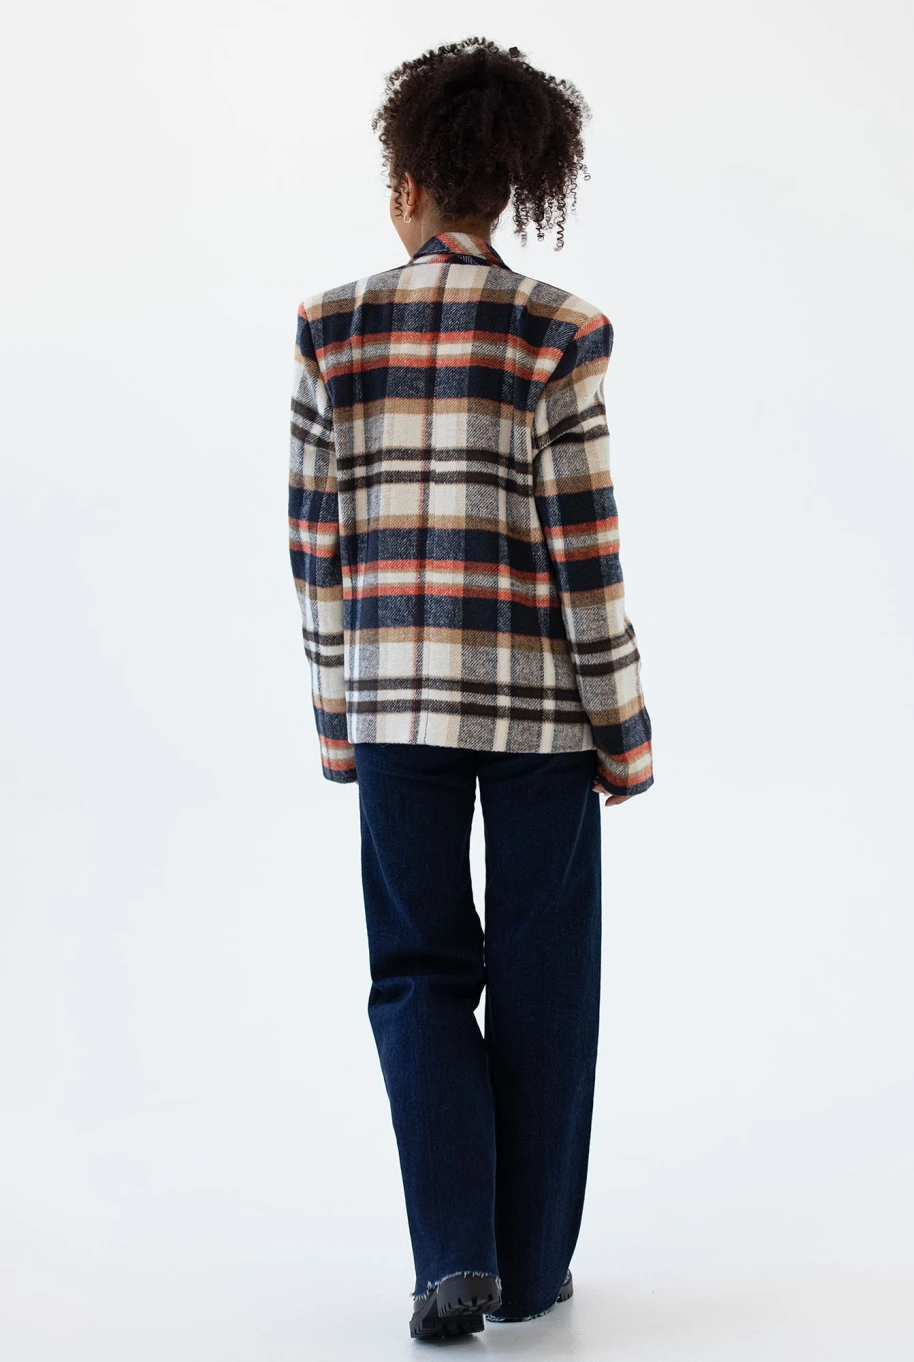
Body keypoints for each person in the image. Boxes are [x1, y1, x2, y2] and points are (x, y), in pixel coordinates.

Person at [288, 35, 654, 1340]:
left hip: (394, 707)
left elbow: (315, 546)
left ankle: (453, 1258)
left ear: (407, 182)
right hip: (542, 712)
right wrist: (623, 731)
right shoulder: (562, 330)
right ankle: (532, 1269)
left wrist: (339, 718)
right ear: (511, 188)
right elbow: (585, 548)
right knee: (548, 976)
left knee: (417, 972)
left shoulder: (332, 327)